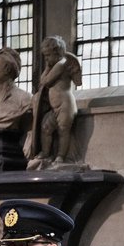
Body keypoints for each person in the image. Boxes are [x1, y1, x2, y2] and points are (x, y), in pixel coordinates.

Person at [27, 35, 81, 165]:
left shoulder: (61, 64)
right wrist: (47, 66)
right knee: (46, 127)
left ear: (57, 53)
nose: (46, 59)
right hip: (55, 107)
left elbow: (46, 81)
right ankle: (46, 153)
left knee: (63, 130)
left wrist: (47, 68)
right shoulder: (54, 65)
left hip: (66, 104)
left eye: (48, 55)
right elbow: (41, 81)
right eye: (45, 56)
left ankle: (61, 157)